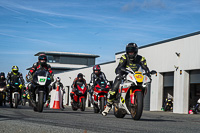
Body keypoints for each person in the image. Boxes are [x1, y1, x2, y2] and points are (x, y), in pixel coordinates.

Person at [102, 43, 151, 116]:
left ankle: (136, 102)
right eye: (129, 52)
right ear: (127, 52)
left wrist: (148, 73)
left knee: (144, 85)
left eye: (132, 52)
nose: (131, 53)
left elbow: (145, 67)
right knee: (115, 86)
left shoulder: (141, 58)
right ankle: (108, 106)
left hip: (136, 76)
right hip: (125, 75)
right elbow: (120, 66)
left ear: (136, 51)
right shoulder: (124, 57)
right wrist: (119, 71)